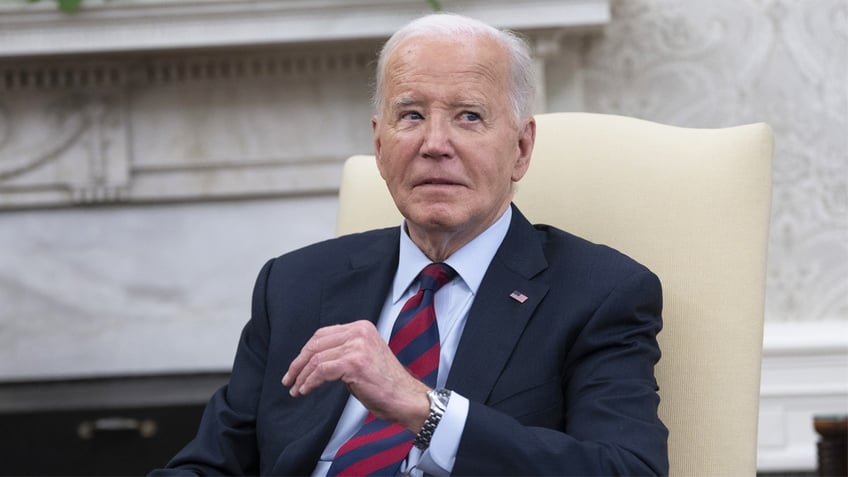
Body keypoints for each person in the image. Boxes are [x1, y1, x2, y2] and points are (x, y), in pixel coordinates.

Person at [152, 12, 668, 477]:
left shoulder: (600, 293)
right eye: (412, 116)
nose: (434, 144)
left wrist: (423, 408)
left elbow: (627, 469)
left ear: (521, 148)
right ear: (380, 146)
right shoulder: (294, 285)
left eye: (469, 116)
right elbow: (209, 465)